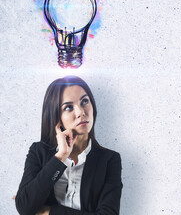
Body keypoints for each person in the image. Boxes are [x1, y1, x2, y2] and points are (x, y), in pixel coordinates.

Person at [15, 75, 123, 215]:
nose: (81, 112)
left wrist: (49, 212)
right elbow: (24, 207)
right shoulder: (38, 152)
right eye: (68, 107)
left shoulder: (109, 159)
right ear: (56, 116)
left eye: (84, 101)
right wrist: (60, 157)